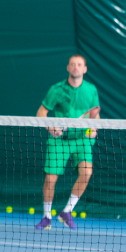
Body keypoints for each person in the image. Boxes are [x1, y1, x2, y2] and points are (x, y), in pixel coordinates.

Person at [35, 54, 100, 231]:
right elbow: (41, 113)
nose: (76, 67)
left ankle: (67, 211)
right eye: (73, 64)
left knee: (86, 172)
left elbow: (94, 115)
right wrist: (51, 128)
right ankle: (47, 216)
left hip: (81, 140)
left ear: (84, 69)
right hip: (59, 140)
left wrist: (93, 129)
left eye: (79, 64)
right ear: (68, 68)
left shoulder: (91, 90)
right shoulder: (56, 90)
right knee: (50, 178)